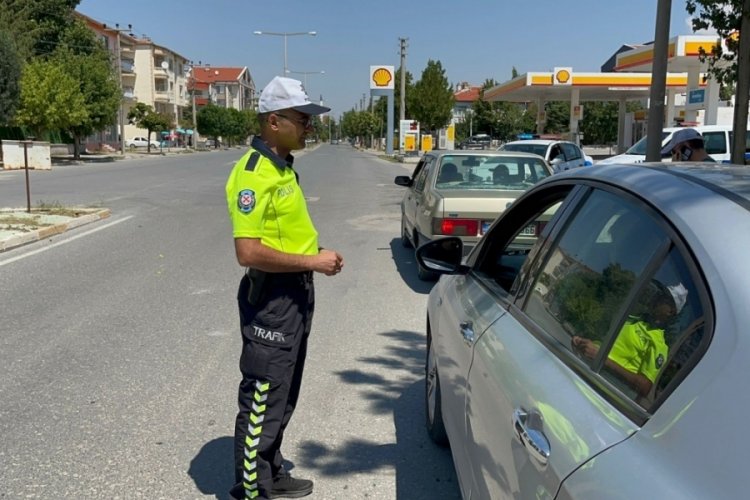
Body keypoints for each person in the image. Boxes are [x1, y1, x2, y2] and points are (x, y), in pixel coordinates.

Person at [225, 76, 344, 500]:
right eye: (303, 120)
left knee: (283, 391)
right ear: (274, 121)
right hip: (272, 298)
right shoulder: (253, 175)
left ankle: (271, 472)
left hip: (294, 294)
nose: (309, 128)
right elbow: (248, 252)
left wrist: (313, 254)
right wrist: (312, 260)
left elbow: (283, 235)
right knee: (263, 393)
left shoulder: (282, 167)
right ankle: (251, 489)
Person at [572, 285, 679, 397]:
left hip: (600, 392)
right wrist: (582, 344)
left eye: (663, 298)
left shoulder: (659, 344)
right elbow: (610, 345)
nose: (656, 297)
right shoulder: (632, 318)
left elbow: (644, 387)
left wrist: (602, 358)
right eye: (658, 293)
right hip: (583, 373)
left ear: (671, 312)